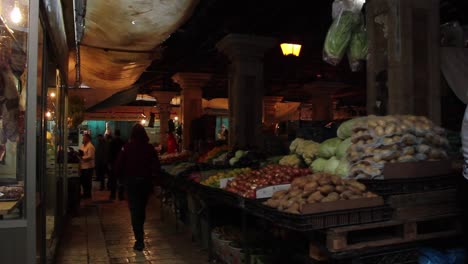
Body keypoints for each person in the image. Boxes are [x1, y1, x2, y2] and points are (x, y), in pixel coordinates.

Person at [115, 124, 160, 251]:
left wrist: (120, 178)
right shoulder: (149, 148)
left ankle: (139, 240)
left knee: (135, 210)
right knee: (141, 208)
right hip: (145, 183)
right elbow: (156, 165)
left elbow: (118, 165)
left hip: (131, 183)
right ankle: (140, 231)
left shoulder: (127, 147)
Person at [108, 129, 125, 200]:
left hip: (113, 163)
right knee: (121, 180)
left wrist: (109, 163)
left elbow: (110, 153)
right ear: (120, 134)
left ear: (115, 134)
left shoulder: (112, 142)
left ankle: (113, 195)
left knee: (113, 180)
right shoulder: (123, 142)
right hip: (121, 163)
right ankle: (121, 196)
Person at [79, 133, 95, 199]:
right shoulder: (83, 145)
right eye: (83, 138)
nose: (83, 139)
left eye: (84, 138)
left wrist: (82, 158)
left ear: (88, 139)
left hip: (88, 167)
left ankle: (88, 194)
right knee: (83, 181)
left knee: (87, 181)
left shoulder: (90, 146)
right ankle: (85, 193)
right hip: (83, 166)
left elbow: (90, 156)